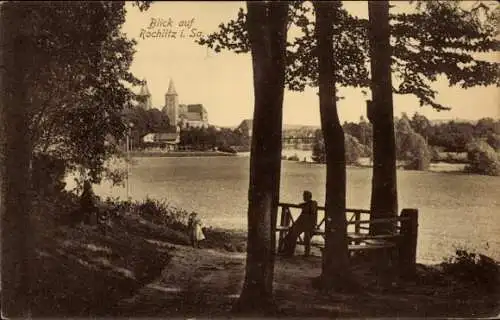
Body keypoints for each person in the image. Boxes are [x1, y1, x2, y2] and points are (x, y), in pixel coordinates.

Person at [280, 190, 318, 257]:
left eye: (304, 196)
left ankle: (290, 252)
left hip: (307, 225)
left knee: (296, 234)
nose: (303, 197)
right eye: (303, 195)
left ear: (308, 197)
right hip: (304, 224)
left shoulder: (312, 204)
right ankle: (288, 251)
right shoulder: (309, 203)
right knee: (292, 233)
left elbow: (311, 214)